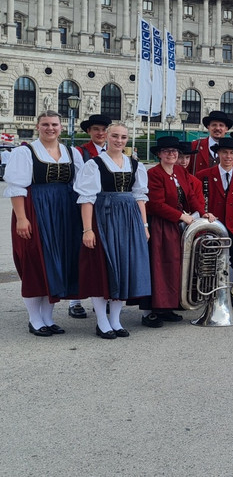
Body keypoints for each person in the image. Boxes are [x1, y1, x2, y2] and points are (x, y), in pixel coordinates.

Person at [6, 110, 84, 337]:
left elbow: (80, 186)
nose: (51, 128)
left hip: (65, 213)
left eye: (55, 124)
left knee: (56, 263)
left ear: (62, 127)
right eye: (46, 124)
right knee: (36, 262)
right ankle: (34, 319)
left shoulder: (72, 152)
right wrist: (21, 218)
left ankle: (48, 318)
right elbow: (16, 188)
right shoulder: (25, 152)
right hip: (35, 210)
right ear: (37, 126)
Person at [74, 123, 151, 338]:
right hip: (104, 218)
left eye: (123, 137)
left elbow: (140, 197)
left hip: (129, 220)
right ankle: (101, 321)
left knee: (124, 267)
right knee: (103, 269)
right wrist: (87, 229)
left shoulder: (135, 165)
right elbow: (87, 199)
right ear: (107, 136)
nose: (119, 140)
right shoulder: (94, 164)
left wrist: (144, 226)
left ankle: (116, 320)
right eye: (115, 136)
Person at [146, 136, 211, 327]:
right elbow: (155, 204)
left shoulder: (180, 171)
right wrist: (181, 216)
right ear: (159, 154)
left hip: (176, 225)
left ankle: (167, 307)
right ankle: (152, 311)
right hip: (161, 226)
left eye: (174, 151)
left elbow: (190, 196)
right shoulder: (154, 174)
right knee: (159, 266)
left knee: (175, 265)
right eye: (167, 151)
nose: (172, 154)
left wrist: (204, 212)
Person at [197, 137, 233, 308]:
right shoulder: (203, 175)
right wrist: (203, 214)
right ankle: (206, 290)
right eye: (224, 153)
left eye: (231, 153)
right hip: (211, 227)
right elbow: (198, 202)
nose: (228, 156)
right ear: (218, 154)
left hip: (232, 228)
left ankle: (225, 289)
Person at [68, 113, 113, 319]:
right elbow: (76, 181)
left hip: (106, 208)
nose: (101, 133)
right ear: (89, 131)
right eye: (96, 129)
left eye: (104, 130)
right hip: (85, 205)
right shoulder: (80, 152)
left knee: (103, 253)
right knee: (80, 251)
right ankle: (75, 300)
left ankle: (102, 297)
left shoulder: (114, 151)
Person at [188, 110, 233, 175]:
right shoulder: (195, 145)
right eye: (214, 125)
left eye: (221, 125)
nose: (217, 128)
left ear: (226, 129)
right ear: (208, 127)